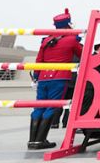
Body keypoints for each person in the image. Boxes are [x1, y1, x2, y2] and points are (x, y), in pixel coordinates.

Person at [29, 9, 83, 150]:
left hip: (43, 77)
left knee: (39, 106)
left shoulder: (46, 40)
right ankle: (40, 140)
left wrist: (36, 76)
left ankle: (32, 140)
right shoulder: (72, 39)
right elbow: (82, 54)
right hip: (60, 77)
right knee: (52, 106)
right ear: (68, 24)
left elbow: (39, 60)